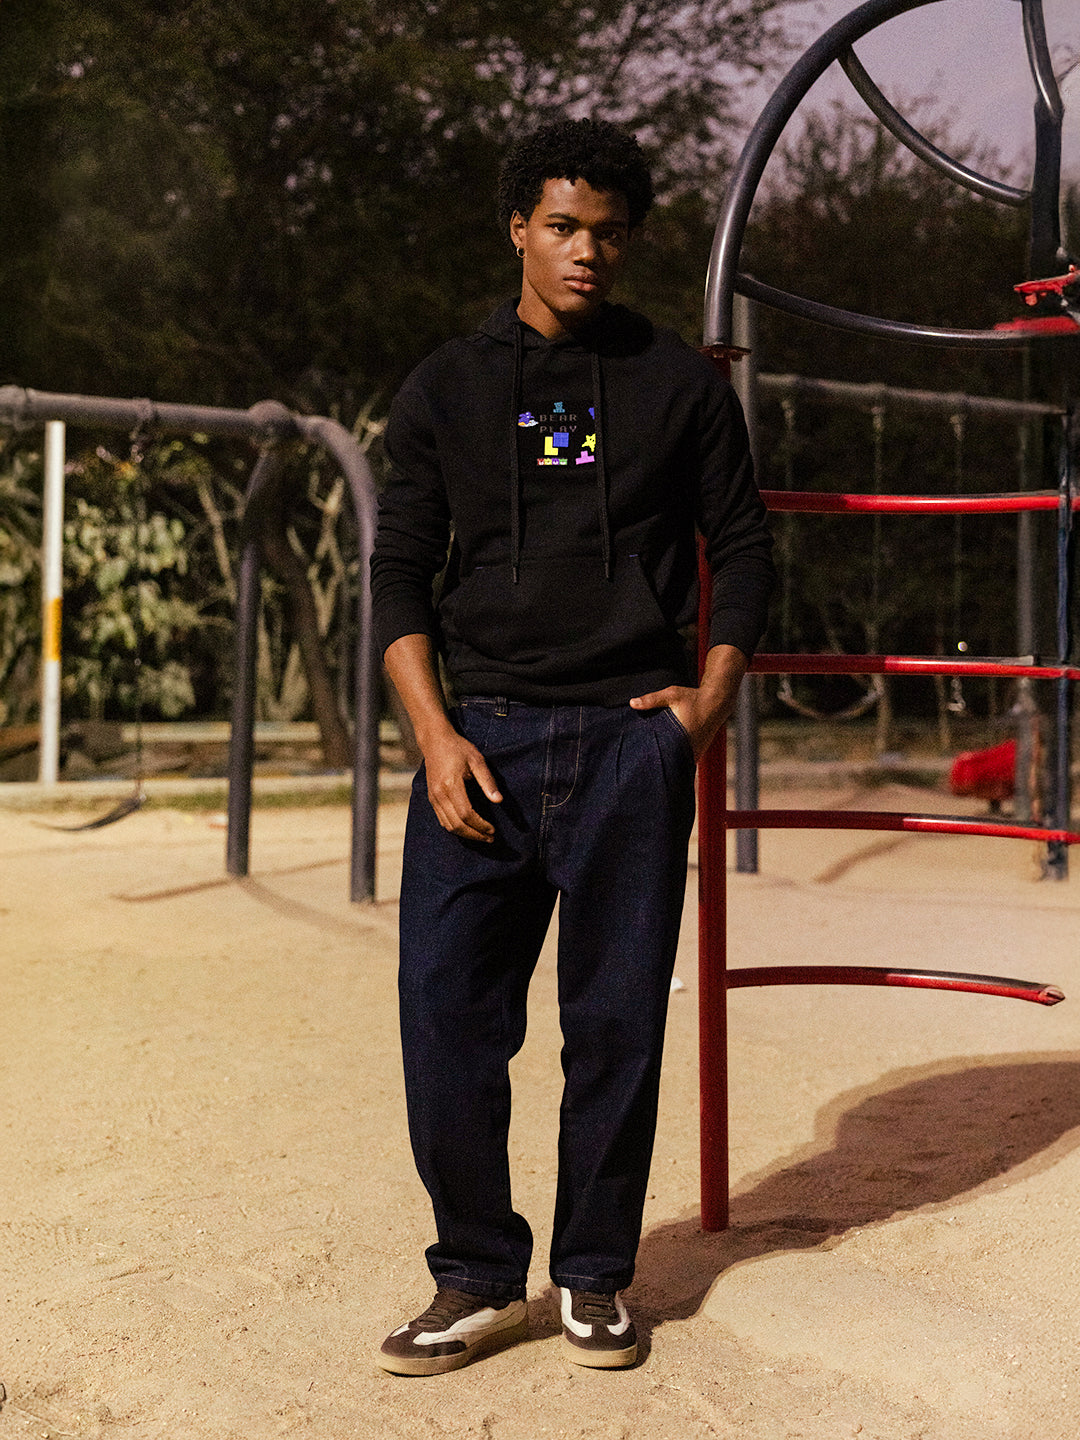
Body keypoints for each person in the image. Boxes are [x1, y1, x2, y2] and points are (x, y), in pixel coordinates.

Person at [370, 117, 774, 1376]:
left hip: (629, 744)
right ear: (518, 230)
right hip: (480, 744)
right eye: (561, 226)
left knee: (614, 1028)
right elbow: (398, 573)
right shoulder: (446, 387)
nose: (585, 250)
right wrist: (433, 735)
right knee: (446, 1020)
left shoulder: (678, 385)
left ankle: (594, 1276)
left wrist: (705, 708)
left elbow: (745, 550)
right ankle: (476, 1274)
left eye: (607, 232)